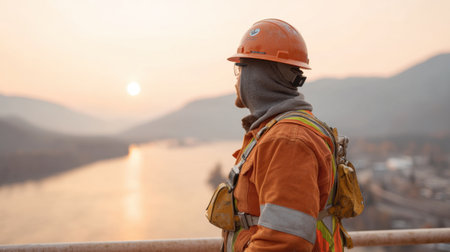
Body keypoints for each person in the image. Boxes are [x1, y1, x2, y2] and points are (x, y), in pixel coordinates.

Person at [223, 19, 341, 251]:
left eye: (240, 69)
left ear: (257, 76)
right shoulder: (279, 131)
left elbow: (285, 241)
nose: (237, 79)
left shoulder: (286, 140)